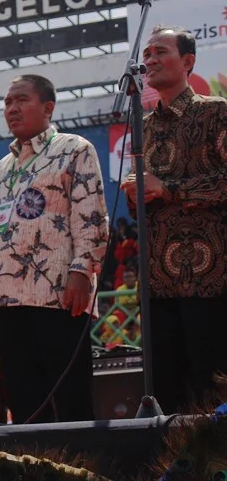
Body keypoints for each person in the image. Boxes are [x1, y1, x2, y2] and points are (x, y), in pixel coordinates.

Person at [0, 74, 109, 424]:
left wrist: (82, 271)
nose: (12, 108)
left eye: (21, 100)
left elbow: (92, 217)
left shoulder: (75, 149)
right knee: (25, 405)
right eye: (8, 102)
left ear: (48, 107)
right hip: (9, 300)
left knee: (71, 401)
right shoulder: (2, 168)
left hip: (59, 295)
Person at [121, 24, 227, 414]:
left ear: (187, 62)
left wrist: (167, 189)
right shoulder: (143, 126)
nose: (150, 60)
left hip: (210, 280)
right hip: (157, 286)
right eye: (147, 54)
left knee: (212, 388)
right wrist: (137, 193)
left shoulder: (215, 113)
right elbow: (143, 207)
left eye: (160, 52)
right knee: (167, 392)